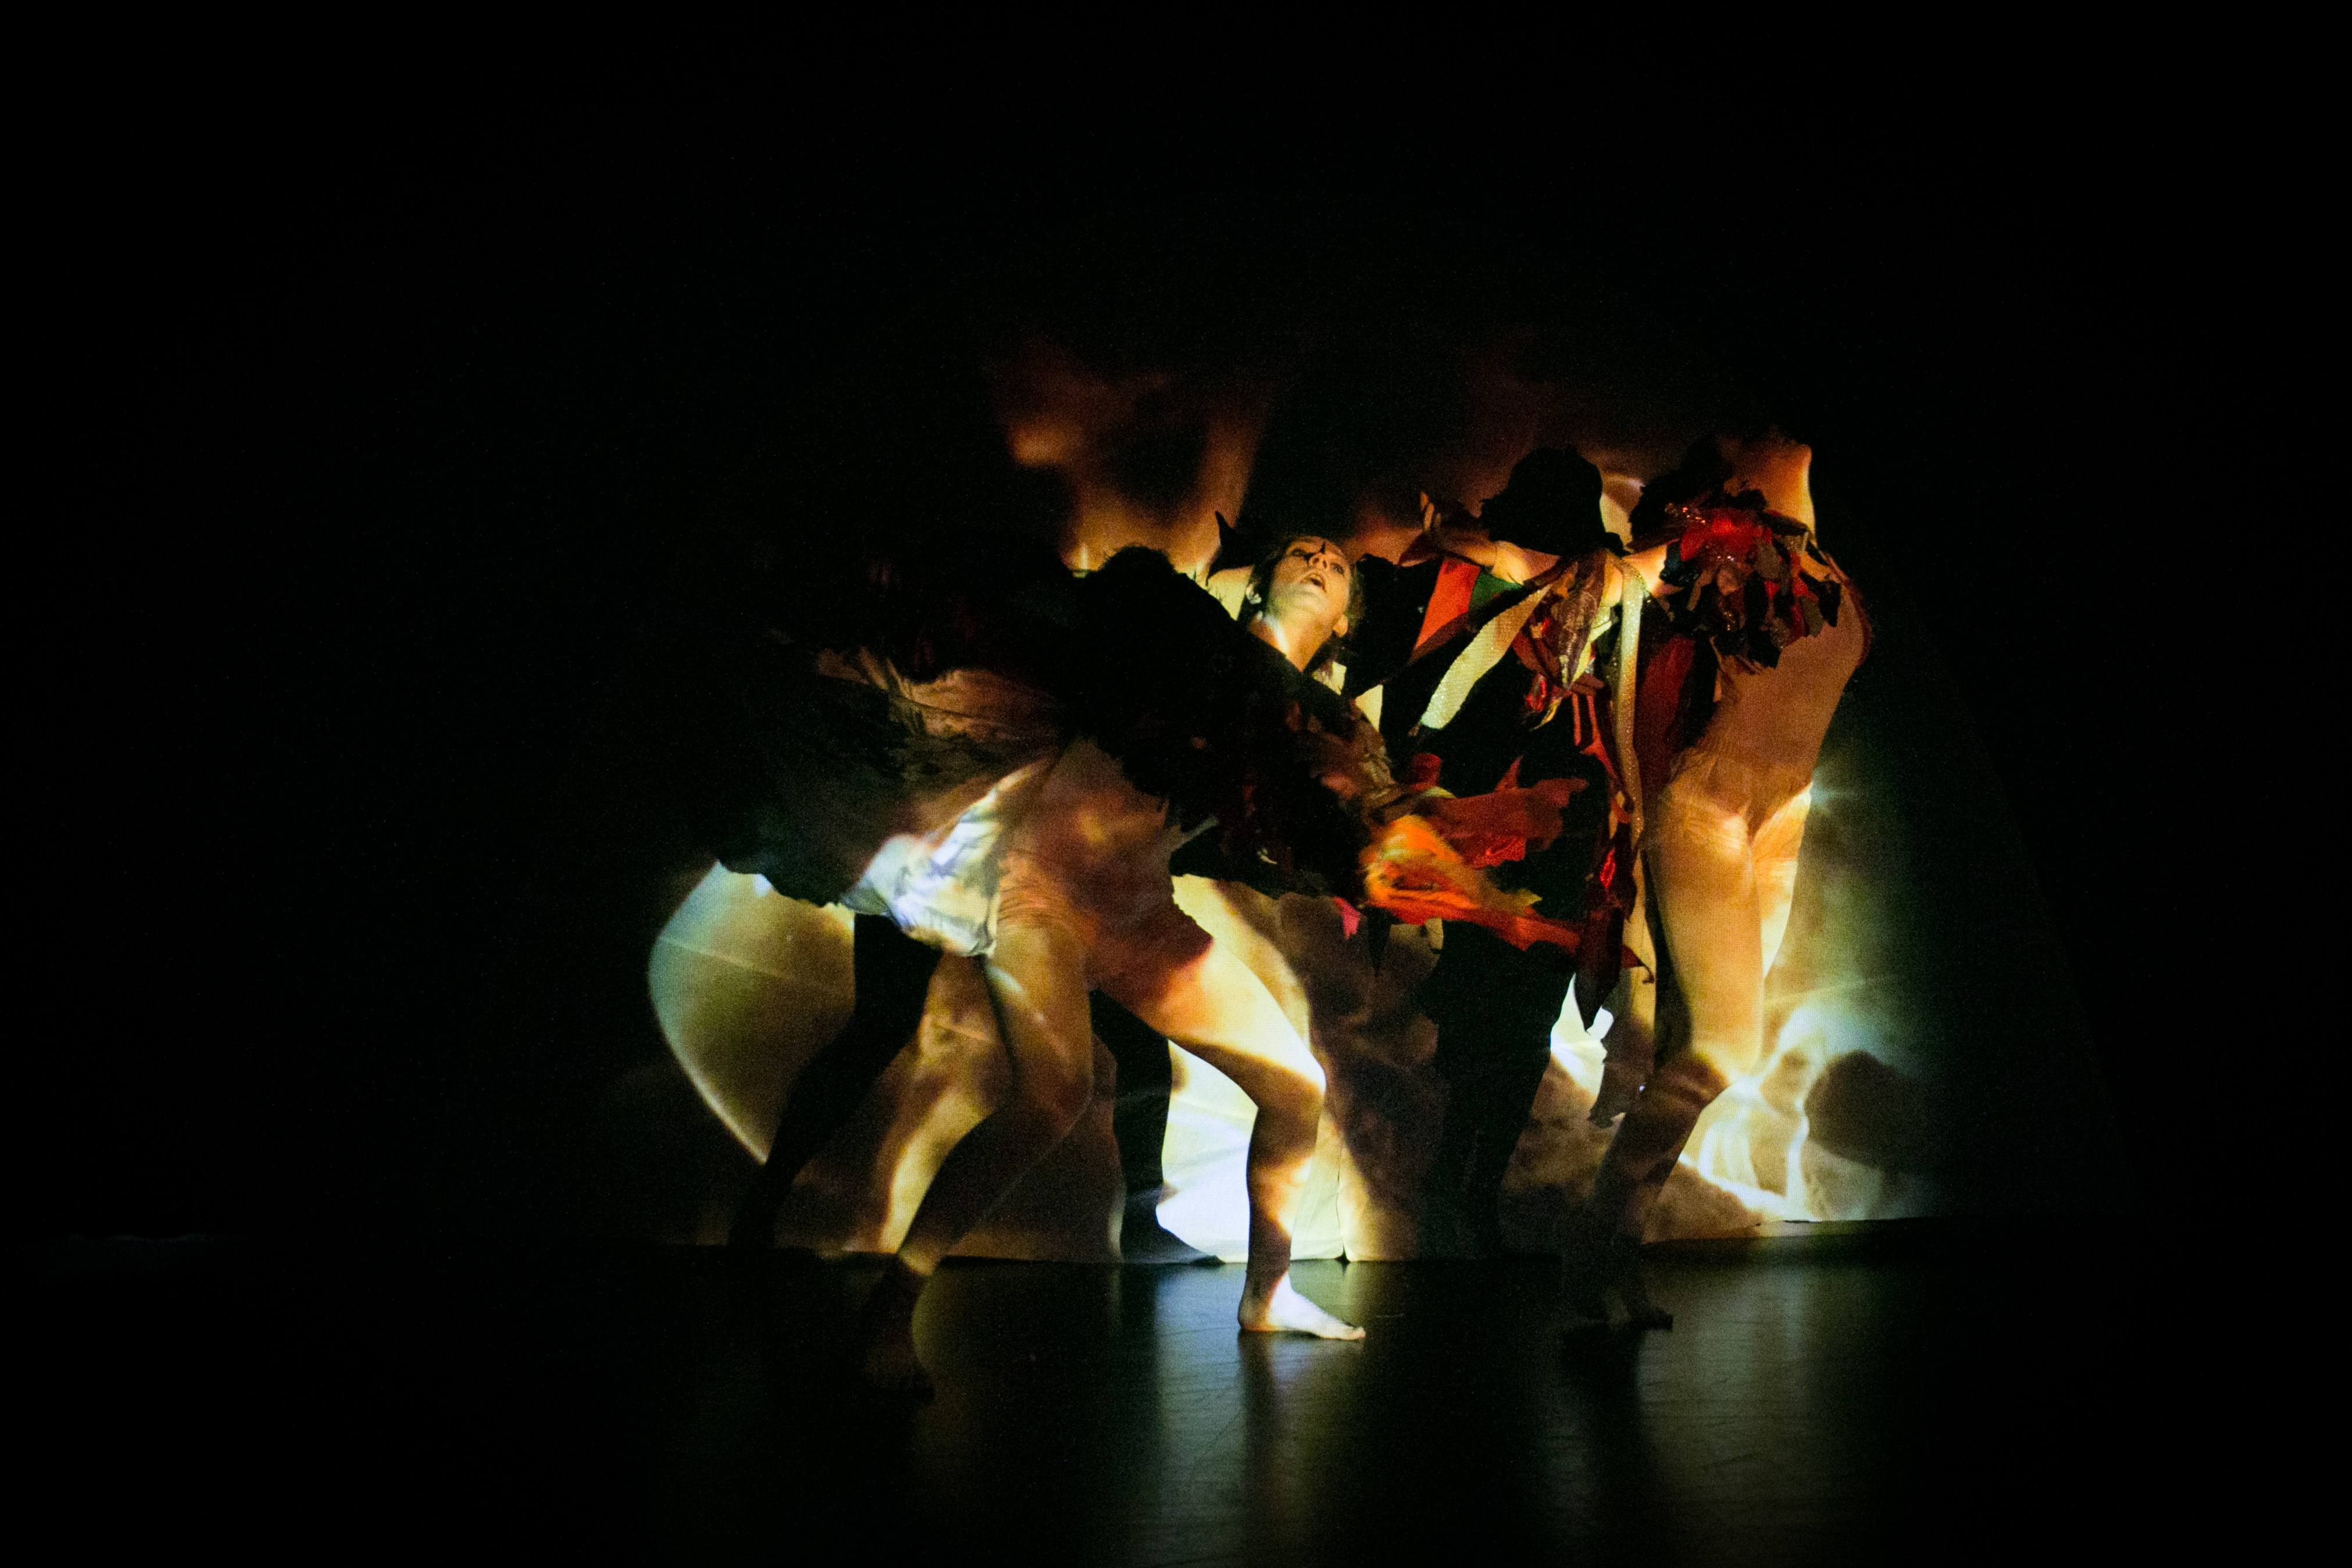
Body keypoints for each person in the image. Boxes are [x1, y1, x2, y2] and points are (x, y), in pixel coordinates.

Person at [1561, 432, 1867, 1327]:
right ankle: (1589, 1244)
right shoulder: (1722, 538)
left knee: (1698, 1060)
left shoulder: (1834, 575)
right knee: (1720, 1051)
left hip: (1779, 821)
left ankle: (1613, 1251)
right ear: (1736, 465)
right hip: (1711, 810)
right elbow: (1607, 585)